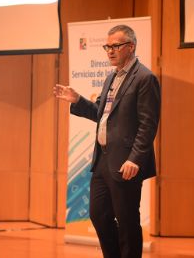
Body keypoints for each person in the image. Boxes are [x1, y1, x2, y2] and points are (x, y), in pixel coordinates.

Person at [54, 25, 160, 258]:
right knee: (99, 214)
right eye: (107, 47)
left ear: (130, 47)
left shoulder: (145, 78)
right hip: (102, 159)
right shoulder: (111, 77)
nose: (110, 51)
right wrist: (77, 100)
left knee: (127, 219)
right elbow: (101, 114)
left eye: (115, 46)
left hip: (126, 164)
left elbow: (148, 124)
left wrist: (135, 159)